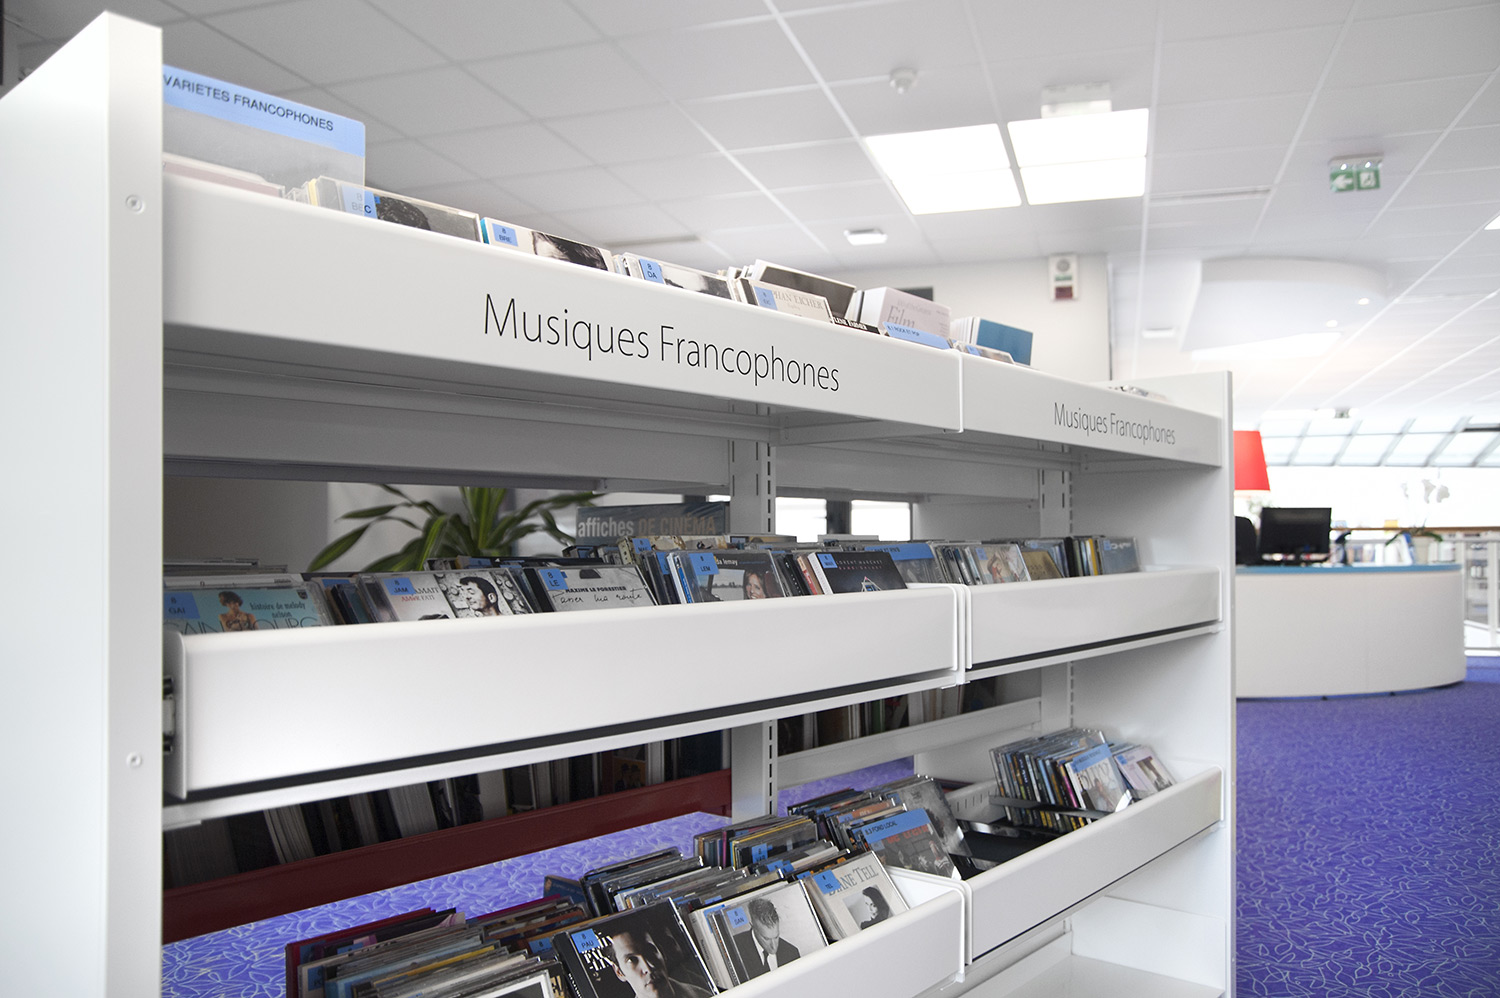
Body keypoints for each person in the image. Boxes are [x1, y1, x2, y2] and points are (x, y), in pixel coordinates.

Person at [608, 928, 711, 998]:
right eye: (631, 960)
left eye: (650, 952)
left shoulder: (706, 994)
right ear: (619, 972)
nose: (648, 968)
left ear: (663, 953)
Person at [733, 898, 800, 979]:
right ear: (752, 925)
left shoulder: (792, 953)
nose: (774, 947)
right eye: (766, 939)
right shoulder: (733, 948)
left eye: (776, 937)